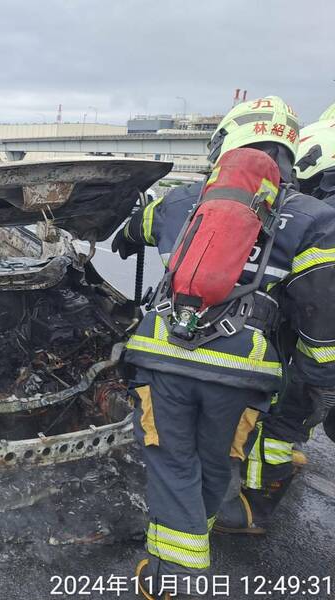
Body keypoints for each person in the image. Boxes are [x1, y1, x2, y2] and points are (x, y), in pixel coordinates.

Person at [110, 96, 335, 599]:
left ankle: (175, 579)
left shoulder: (180, 200)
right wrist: (318, 388)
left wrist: (128, 235)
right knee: (216, 462)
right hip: (244, 372)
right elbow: (321, 319)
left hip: (166, 358)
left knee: (172, 462)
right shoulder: (315, 218)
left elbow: (132, 229)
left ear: (226, 143)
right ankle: (193, 542)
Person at [215, 113, 335, 535]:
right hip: (304, 353)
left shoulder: (317, 219)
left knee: (277, 427)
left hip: (302, 358)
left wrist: (318, 375)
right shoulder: (316, 217)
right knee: (280, 427)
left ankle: (251, 508)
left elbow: (319, 315)